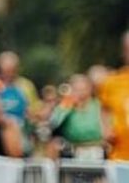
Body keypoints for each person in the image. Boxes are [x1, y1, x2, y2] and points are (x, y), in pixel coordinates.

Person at [48, 74, 106, 160]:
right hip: (73, 153)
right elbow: (53, 123)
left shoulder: (97, 105)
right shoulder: (66, 105)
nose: (80, 93)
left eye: (83, 89)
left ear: (90, 89)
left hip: (97, 151)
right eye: (76, 90)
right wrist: (66, 106)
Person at [99, 31, 129, 161]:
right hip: (120, 158)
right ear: (124, 53)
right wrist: (106, 129)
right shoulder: (111, 82)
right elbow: (103, 109)